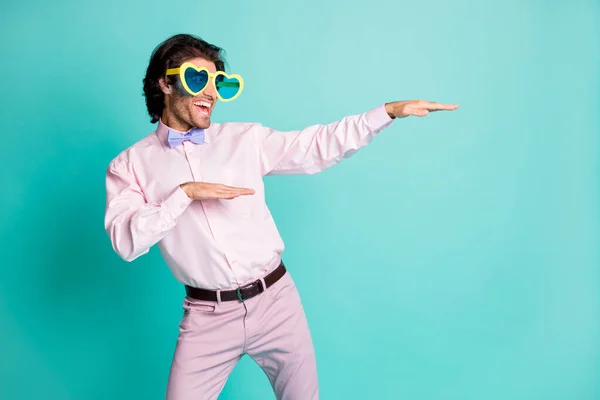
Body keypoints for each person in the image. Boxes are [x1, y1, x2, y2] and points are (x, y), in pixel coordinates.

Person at [104, 33, 458, 400]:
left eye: (219, 83)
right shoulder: (129, 166)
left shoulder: (245, 139)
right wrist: (184, 195)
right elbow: (126, 242)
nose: (210, 92)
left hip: (276, 301)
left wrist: (383, 113)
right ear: (165, 82)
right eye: (198, 79)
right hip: (207, 317)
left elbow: (316, 145)